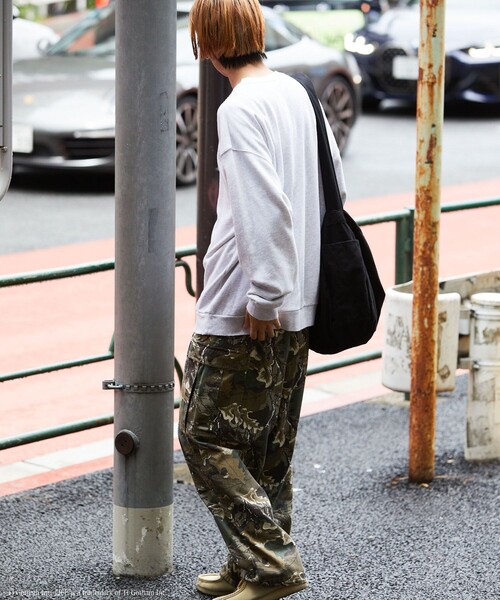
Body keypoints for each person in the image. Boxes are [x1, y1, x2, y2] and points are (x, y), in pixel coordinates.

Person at [178, 1, 347, 598]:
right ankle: (250, 564)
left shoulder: (240, 107)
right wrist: (285, 290)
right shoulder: (298, 93)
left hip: (245, 307)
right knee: (267, 446)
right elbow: (334, 184)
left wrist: (264, 297)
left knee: (202, 436)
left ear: (207, 44)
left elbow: (261, 204)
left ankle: (272, 565)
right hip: (298, 299)